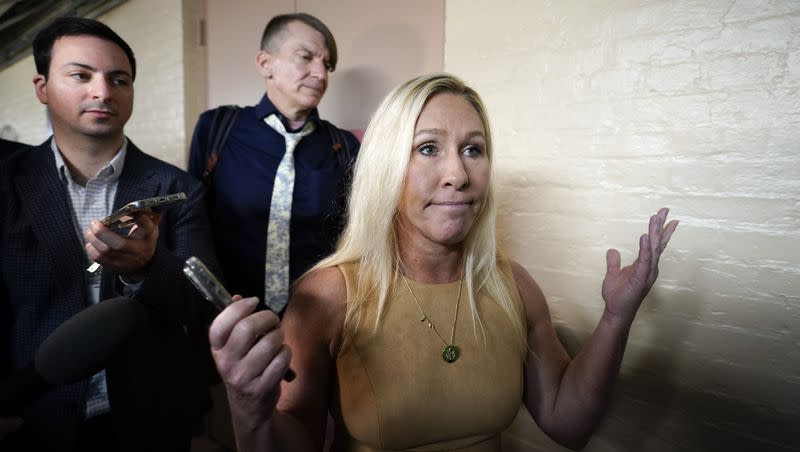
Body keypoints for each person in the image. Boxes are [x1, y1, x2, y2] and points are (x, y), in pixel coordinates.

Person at [207, 73, 679, 451]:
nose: (458, 174)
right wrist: (251, 411)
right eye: (428, 148)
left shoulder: (512, 285)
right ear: (387, 168)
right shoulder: (327, 296)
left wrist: (618, 317)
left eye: (473, 149)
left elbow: (567, 424)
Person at [0, 17, 219, 451]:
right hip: (33, 416)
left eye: (118, 79)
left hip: (149, 419)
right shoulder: (7, 186)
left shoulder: (177, 189)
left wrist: (147, 267)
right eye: (81, 75)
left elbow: (203, 305)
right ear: (42, 87)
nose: (102, 91)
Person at [188, 12, 359, 314]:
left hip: (317, 320)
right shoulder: (217, 128)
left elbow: (356, 236)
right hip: (227, 315)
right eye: (305, 57)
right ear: (265, 64)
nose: (321, 74)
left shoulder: (344, 145)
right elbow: (192, 225)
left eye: (327, 64)